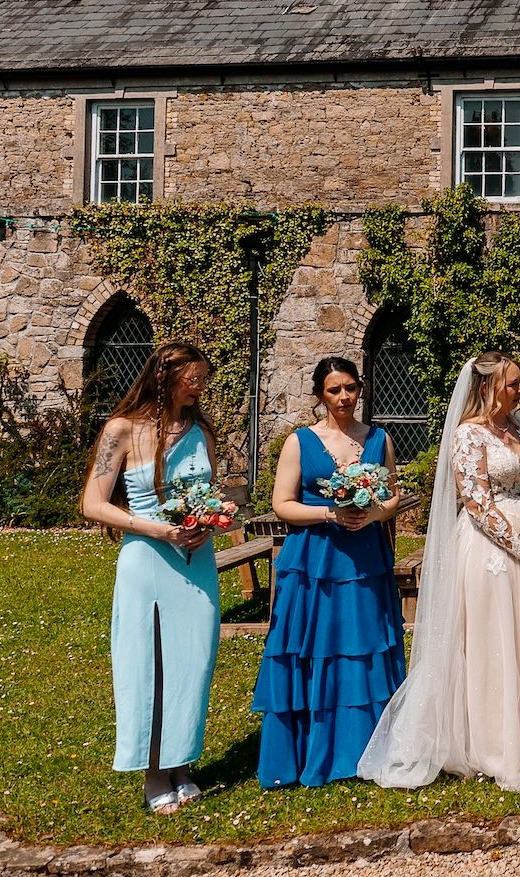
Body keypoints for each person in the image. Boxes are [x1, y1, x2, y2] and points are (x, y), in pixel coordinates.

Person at [359, 353, 520, 790]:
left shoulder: (518, 427)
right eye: (513, 384)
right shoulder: (467, 435)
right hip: (490, 550)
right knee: (492, 638)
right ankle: (493, 744)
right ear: (487, 387)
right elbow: (477, 503)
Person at [251, 357, 408, 788]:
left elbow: (394, 497)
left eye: (350, 388)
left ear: (361, 389)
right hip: (315, 562)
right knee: (318, 648)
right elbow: (283, 503)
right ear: (320, 395)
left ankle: (371, 747)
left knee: (364, 646)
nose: (344, 398)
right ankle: (312, 751)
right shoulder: (300, 442)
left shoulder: (379, 438)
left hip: (365, 561)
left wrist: (374, 514)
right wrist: (330, 513)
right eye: (334, 390)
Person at [80, 341, 221, 815]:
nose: (200, 386)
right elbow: (93, 504)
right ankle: (153, 772)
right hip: (146, 554)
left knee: (194, 662)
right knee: (150, 663)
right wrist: (156, 528)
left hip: (195, 560)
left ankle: (181, 763)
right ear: (165, 376)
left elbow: (210, 491)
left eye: (203, 378)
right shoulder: (121, 430)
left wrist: (208, 522)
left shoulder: (201, 430)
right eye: (193, 378)